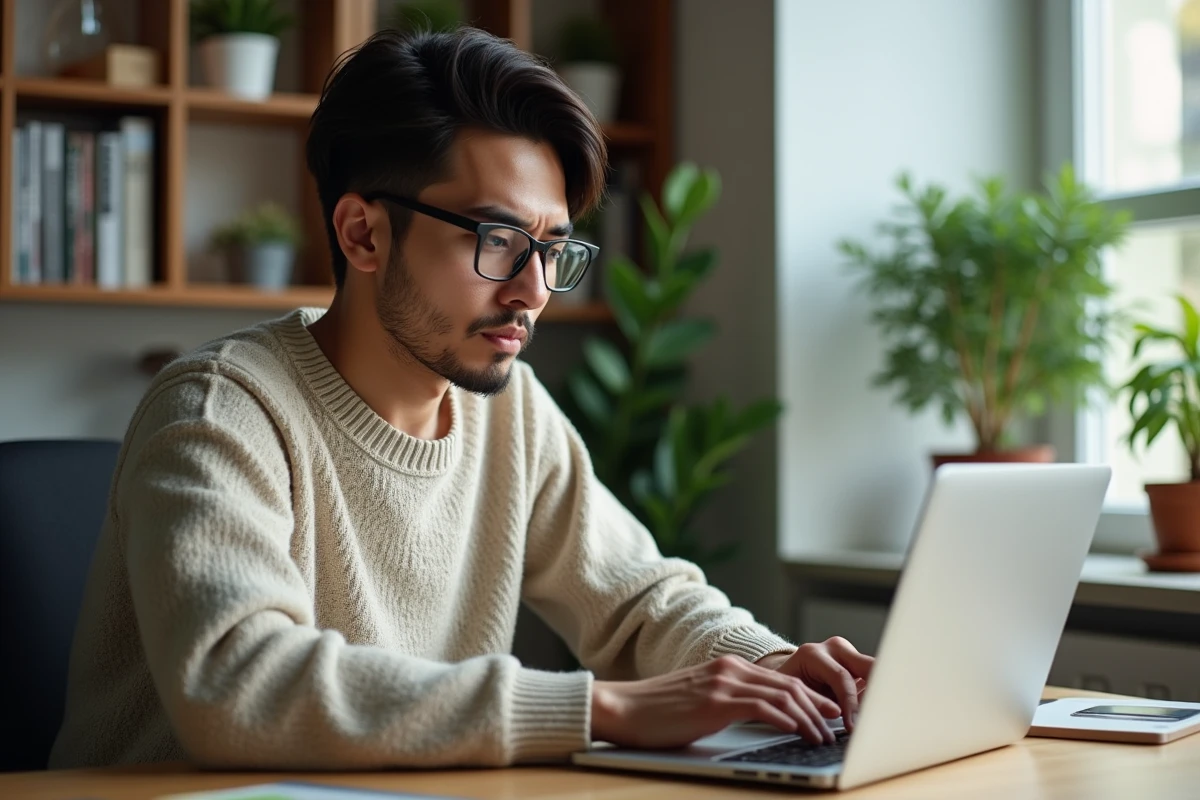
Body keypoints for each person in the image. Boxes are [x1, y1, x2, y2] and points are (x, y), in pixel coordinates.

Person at [50, 27, 872, 771]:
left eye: (553, 249)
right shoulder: (220, 410)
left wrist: (775, 670)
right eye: (498, 241)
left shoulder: (506, 408)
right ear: (362, 233)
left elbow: (636, 600)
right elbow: (238, 684)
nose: (533, 291)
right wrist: (601, 711)